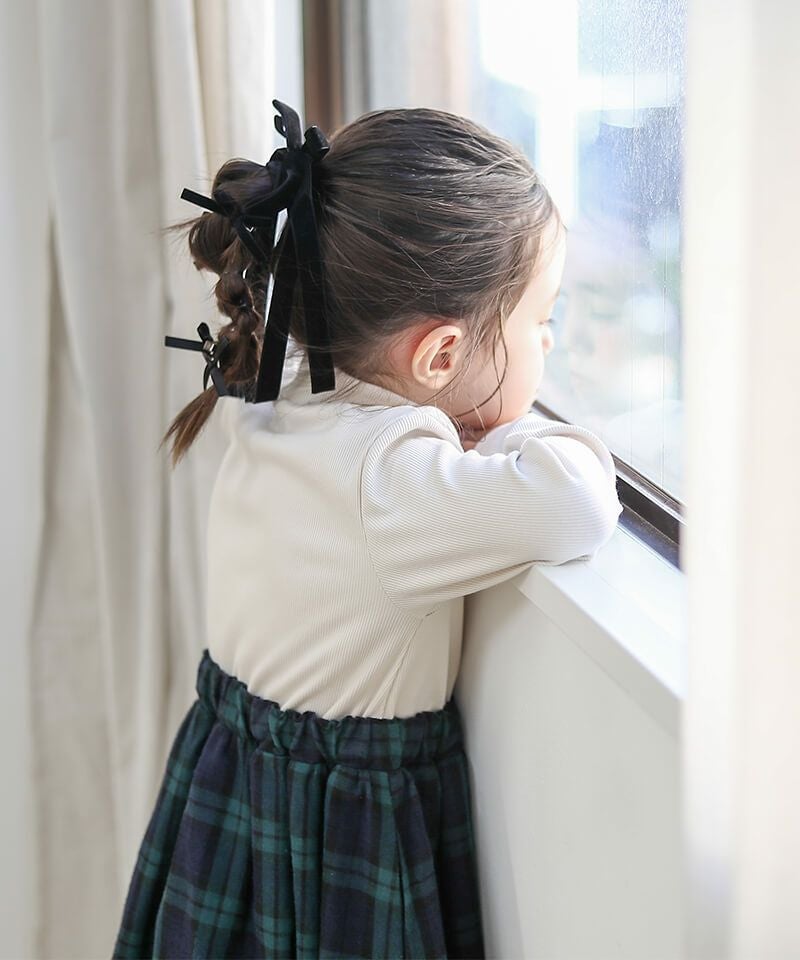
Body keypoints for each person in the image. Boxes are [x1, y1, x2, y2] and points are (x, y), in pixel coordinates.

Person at [112, 100, 623, 960]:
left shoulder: (277, 400)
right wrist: (507, 435)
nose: (548, 344)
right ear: (439, 356)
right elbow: (578, 499)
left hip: (226, 795)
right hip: (334, 849)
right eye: (541, 323)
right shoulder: (392, 483)